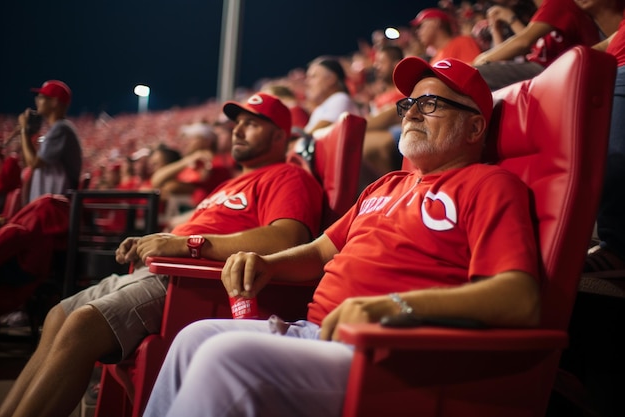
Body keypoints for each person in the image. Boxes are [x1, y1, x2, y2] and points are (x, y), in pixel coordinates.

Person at [143, 58, 541, 417]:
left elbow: (518, 298)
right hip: (316, 331)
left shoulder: (489, 184)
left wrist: (392, 307)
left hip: (390, 352)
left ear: (475, 126)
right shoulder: (386, 185)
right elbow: (320, 251)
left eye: (431, 104)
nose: (411, 113)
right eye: (409, 104)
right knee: (193, 337)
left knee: (223, 358)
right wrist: (267, 264)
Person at [0, 92, 324, 417]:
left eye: (251, 124)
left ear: (280, 134)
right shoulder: (229, 184)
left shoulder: (290, 176)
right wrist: (154, 241)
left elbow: (288, 238)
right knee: (58, 315)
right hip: (164, 269)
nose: (237, 131)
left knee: (83, 324)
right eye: (237, 123)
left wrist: (189, 244)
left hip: (195, 282)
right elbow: (193, 225)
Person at [472, 0, 600, 90]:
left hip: (554, 71)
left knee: (475, 75)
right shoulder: (538, 9)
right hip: (545, 69)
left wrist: (483, 59)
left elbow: (523, 43)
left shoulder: (558, 2)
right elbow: (529, 46)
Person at [584, 2, 625, 272]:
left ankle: (617, 245)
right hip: (613, 69)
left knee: (611, 154)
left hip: (622, 72)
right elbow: (612, 41)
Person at [18, 80, 83, 204]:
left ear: (54, 102)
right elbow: (29, 162)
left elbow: (34, 163)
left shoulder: (61, 128)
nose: (37, 100)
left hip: (53, 208)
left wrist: (23, 131)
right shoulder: (58, 129)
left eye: (42, 97)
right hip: (48, 205)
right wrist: (27, 134)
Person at [361, 45, 405, 182]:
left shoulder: (405, 89)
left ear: (396, 63)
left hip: (398, 135)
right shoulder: (378, 98)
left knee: (364, 145)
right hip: (378, 132)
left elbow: (394, 115)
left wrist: (360, 126)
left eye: (381, 62)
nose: (376, 66)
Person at [302, 56, 361, 135]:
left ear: (331, 79)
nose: (307, 82)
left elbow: (308, 135)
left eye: (313, 77)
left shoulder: (340, 98)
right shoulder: (319, 108)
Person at [411, 7, 483, 64]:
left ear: (436, 22)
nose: (418, 32)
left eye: (420, 26)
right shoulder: (434, 59)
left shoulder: (463, 42)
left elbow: (475, 72)